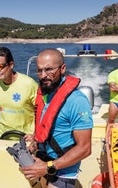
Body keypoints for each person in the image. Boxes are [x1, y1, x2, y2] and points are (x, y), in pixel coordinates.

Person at [21, 49, 93, 188]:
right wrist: (36, 141)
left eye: (49, 70)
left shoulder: (77, 101)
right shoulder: (45, 93)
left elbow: (85, 148)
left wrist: (48, 167)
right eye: (40, 70)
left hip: (63, 169)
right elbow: (46, 123)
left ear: (63, 68)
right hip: (42, 158)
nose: (43, 75)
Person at [0, 47, 38, 142]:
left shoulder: (29, 84)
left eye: (0, 67)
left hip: (26, 139)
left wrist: (35, 134)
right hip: (3, 137)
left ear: (11, 65)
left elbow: (43, 110)